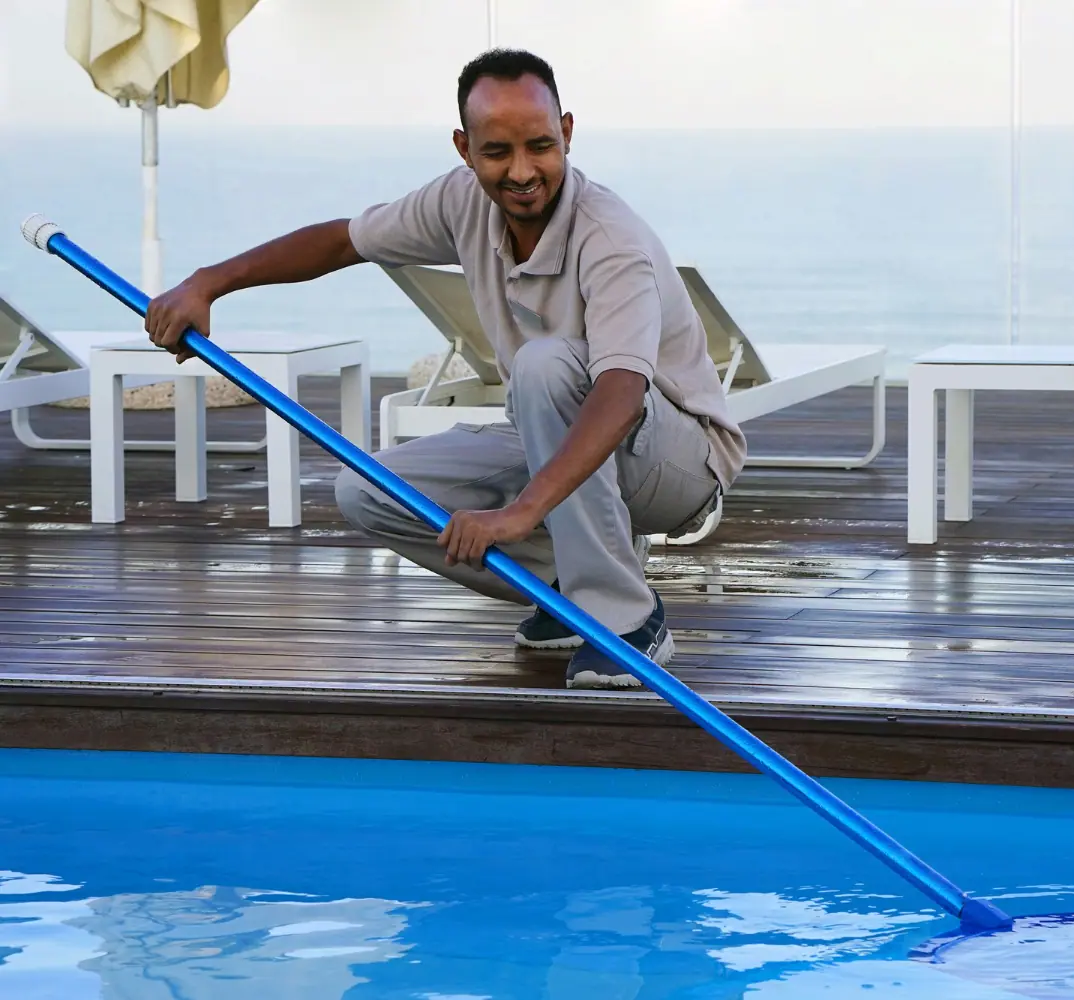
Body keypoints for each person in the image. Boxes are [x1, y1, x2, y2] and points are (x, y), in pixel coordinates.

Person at [142, 48, 747, 690]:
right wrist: (210, 282)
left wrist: (521, 511)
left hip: (678, 461)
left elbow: (622, 392)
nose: (522, 172)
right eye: (496, 153)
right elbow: (345, 241)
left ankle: (625, 619)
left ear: (567, 132)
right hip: (559, 431)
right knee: (369, 492)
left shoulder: (611, 237)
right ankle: (573, 585)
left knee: (546, 364)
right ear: (464, 148)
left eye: (541, 146)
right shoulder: (461, 202)